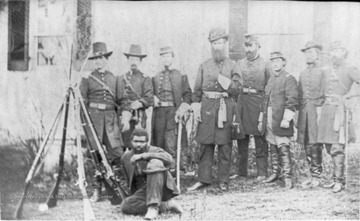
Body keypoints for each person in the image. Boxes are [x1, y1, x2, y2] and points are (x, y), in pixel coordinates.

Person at [187, 27, 243, 191]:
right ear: (211, 45)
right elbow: (197, 90)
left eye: (220, 43)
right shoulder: (204, 66)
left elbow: (238, 89)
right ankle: (204, 179)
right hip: (207, 109)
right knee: (205, 145)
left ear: (225, 44)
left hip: (224, 108)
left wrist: (225, 82)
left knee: (225, 145)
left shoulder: (233, 65)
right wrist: (196, 107)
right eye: (214, 43)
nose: (217, 46)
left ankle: (223, 180)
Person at [80, 42, 132, 202]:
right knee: (94, 157)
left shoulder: (115, 79)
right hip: (93, 121)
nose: (99, 61)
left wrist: (125, 118)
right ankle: (97, 190)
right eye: (95, 58)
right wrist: (82, 125)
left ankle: (125, 187)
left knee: (118, 154)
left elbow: (124, 101)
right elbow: (81, 103)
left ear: (106, 59)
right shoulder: (87, 79)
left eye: (101, 58)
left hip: (110, 121)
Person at [317, 40, 360, 193]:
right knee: (328, 145)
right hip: (327, 110)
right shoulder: (326, 70)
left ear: (344, 52)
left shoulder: (350, 69)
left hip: (339, 111)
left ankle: (339, 181)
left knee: (336, 146)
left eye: (337, 51)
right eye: (332, 51)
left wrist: (350, 95)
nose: (333, 54)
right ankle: (335, 177)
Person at [119, 128, 183, 220]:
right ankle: (166, 205)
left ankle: (153, 207)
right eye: (136, 141)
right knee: (125, 205)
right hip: (144, 191)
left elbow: (169, 159)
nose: (138, 144)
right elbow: (127, 180)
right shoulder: (126, 157)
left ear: (147, 142)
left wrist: (144, 156)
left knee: (155, 163)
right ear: (131, 141)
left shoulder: (155, 150)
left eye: (142, 142)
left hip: (161, 187)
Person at [259, 51, 298, 189]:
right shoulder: (271, 80)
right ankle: (276, 173)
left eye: (278, 61)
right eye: (273, 61)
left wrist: (287, 118)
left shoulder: (289, 78)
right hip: (269, 117)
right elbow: (265, 100)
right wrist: (261, 118)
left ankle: (287, 177)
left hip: (281, 118)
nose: (275, 64)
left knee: (283, 146)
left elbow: (292, 100)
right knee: (272, 145)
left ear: (284, 62)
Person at [235, 34, 271, 181]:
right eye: (246, 46)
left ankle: (262, 171)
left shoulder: (265, 64)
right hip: (242, 101)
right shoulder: (239, 64)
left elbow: (269, 86)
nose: (248, 49)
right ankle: (241, 171)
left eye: (251, 46)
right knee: (241, 137)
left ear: (257, 46)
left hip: (257, 102)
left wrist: (265, 105)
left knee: (259, 138)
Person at [151, 46, 192, 173]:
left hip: (173, 113)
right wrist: (152, 97)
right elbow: (149, 92)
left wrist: (182, 108)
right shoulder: (155, 76)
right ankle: (159, 168)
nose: (166, 59)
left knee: (171, 141)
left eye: (168, 56)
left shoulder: (180, 75)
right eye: (163, 56)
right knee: (158, 140)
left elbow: (188, 94)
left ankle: (173, 169)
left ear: (172, 58)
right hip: (159, 113)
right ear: (160, 58)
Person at [297, 41, 326, 188]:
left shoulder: (323, 72)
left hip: (317, 111)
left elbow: (325, 92)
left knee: (315, 143)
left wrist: (321, 109)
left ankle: (317, 175)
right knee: (306, 142)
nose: (308, 55)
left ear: (317, 55)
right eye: (306, 52)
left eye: (311, 52)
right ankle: (311, 174)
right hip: (304, 112)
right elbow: (299, 94)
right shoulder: (302, 73)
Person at [119, 44, 154, 149]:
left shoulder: (145, 79)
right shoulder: (121, 78)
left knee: (138, 143)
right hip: (124, 115)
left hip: (139, 116)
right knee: (123, 143)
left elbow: (149, 97)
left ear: (140, 61)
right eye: (131, 59)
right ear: (128, 60)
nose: (133, 62)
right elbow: (119, 97)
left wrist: (139, 103)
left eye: (136, 59)